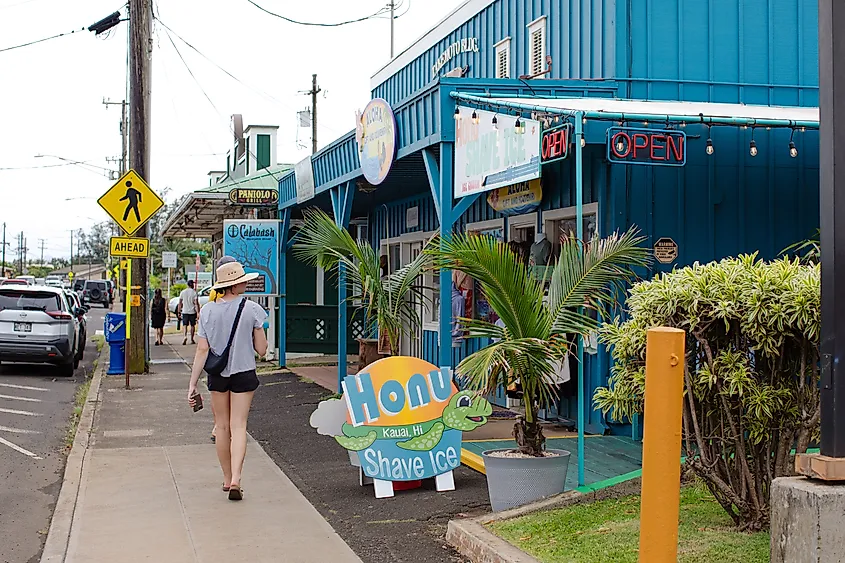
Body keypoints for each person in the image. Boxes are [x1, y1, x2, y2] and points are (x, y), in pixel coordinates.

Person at [187, 258, 268, 501]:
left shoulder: (208, 311)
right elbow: (262, 350)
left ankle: (225, 478)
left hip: (217, 375)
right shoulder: (252, 309)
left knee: (222, 426)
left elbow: (202, 350)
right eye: (241, 281)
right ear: (233, 285)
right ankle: (236, 479)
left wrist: (192, 384)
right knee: (238, 426)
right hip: (244, 373)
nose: (245, 284)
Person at [178, 280, 200, 345]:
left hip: (185, 311)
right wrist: (198, 312)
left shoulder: (183, 292)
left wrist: (179, 311)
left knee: (185, 325)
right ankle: (192, 339)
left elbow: (180, 303)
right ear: (192, 285)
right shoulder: (194, 292)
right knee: (192, 325)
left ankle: (185, 336)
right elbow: (196, 303)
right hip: (192, 311)